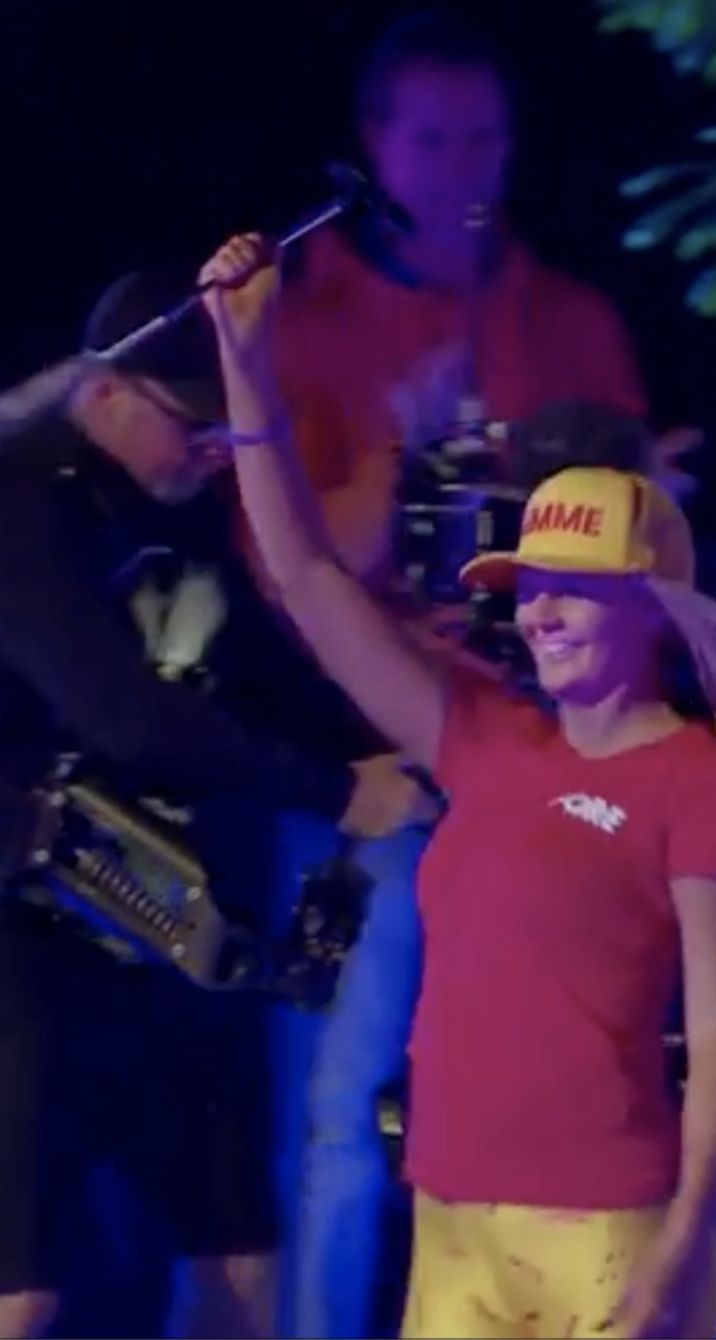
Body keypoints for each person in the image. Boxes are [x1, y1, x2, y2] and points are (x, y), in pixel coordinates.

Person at [204, 231, 716, 1339]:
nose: (539, 611)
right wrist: (247, 373)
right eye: (528, 585)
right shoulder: (480, 735)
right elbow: (302, 572)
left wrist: (682, 1247)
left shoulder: (705, 781)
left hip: (612, 1236)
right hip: (454, 1229)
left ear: (652, 604)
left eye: (573, 587)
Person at [257, 14, 670, 1335]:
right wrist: (397, 449)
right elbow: (287, 572)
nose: (460, 168)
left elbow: (642, 541)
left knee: (553, 1088)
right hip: (372, 771)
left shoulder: (567, 318)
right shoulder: (306, 321)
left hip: (543, 774)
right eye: (431, 140)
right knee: (336, 1110)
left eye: (484, 139)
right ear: (374, 145)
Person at [0, 272, 425, 1339]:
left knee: (240, 1263)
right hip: (25, 949)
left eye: (225, 432)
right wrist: (337, 792)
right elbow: (124, 715)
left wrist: (397, 748)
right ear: (105, 396)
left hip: (165, 937)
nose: (213, 452)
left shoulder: (178, 516)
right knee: (21, 1286)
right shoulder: (19, 504)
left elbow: (262, 673)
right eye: (193, 426)